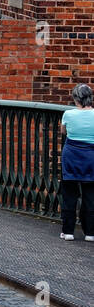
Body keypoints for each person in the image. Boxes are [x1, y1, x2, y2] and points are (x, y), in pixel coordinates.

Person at [60, 83, 94, 242]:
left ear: (76, 98)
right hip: (91, 156)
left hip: (72, 156)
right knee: (90, 196)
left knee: (69, 194)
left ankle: (68, 232)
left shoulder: (68, 114)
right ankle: (90, 233)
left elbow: (63, 132)